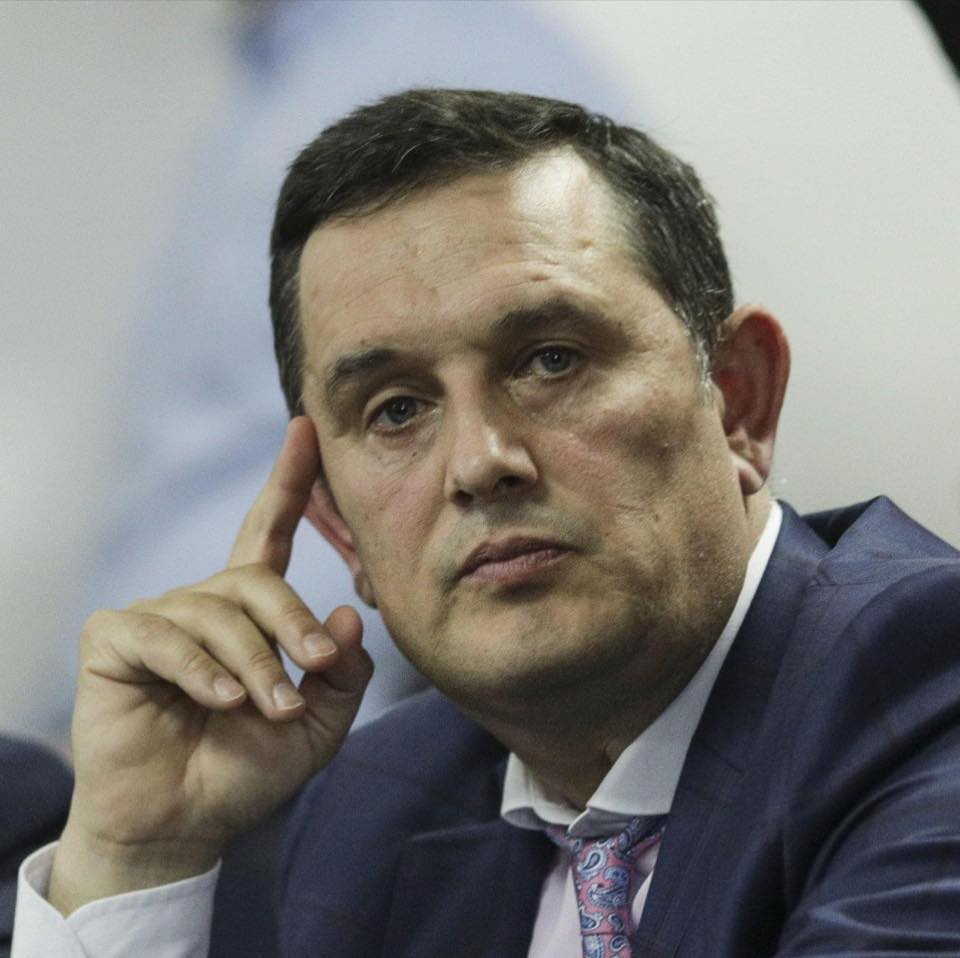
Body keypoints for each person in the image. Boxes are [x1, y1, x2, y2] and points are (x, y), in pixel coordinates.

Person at [12, 89, 960, 957]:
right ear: (339, 528)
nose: (479, 463)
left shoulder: (922, 689)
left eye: (551, 360)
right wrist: (136, 860)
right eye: (396, 410)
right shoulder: (378, 811)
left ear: (738, 400)